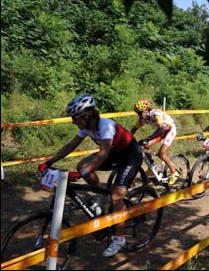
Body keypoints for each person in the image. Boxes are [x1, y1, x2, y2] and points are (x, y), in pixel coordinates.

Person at [38, 94, 142, 257]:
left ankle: (119, 238)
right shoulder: (86, 128)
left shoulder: (105, 126)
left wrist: (81, 174)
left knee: (116, 197)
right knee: (81, 164)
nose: (73, 121)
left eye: (75, 118)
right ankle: (100, 194)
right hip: (114, 154)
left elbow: (102, 154)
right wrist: (49, 162)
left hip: (130, 156)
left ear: (86, 116)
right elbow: (70, 145)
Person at [130, 98, 179, 185]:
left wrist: (149, 138)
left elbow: (161, 130)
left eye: (141, 112)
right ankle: (152, 166)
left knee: (161, 154)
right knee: (145, 146)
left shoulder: (156, 114)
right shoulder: (143, 118)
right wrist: (127, 138)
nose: (140, 115)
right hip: (161, 130)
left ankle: (174, 172)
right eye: (138, 113)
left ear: (146, 109)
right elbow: (134, 129)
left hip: (169, 130)